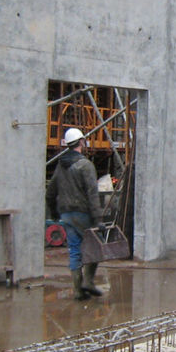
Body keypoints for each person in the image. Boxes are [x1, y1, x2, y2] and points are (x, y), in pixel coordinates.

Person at [46, 127, 104, 301]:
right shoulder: (86, 166)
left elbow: (50, 192)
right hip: (83, 214)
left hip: (66, 215)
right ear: (81, 142)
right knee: (96, 248)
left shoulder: (61, 166)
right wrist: (98, 219)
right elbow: (92, 194)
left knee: (74, 251)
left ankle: (78, 291)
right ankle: (88, 282)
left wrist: (55, 214)